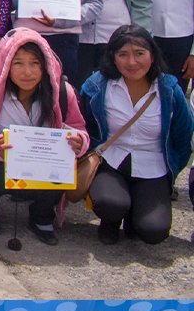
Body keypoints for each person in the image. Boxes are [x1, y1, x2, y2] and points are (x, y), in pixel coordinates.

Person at [0, 28, 90, 245]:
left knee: (61, 166)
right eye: (18, 63)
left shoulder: (62, 92)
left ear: (45, 65)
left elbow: (78, 127)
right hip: (3, 164)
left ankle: (42, 214)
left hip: (42, 164)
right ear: (5, 64)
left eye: (35, 63)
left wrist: (79, 141)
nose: (28, 72)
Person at [80, 25, 194, 245]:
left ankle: (135, 213)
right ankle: (110, 221)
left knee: (154, 231)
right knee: (110, 204)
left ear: (152, 55)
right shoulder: (97, 85)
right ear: (113, 57)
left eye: (139, 53)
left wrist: (172, 170)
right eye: (123, 54)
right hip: (111, 161)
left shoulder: (169, 89)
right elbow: (84, 123)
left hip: (153, 166)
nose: (131, 62)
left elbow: (183, 136)